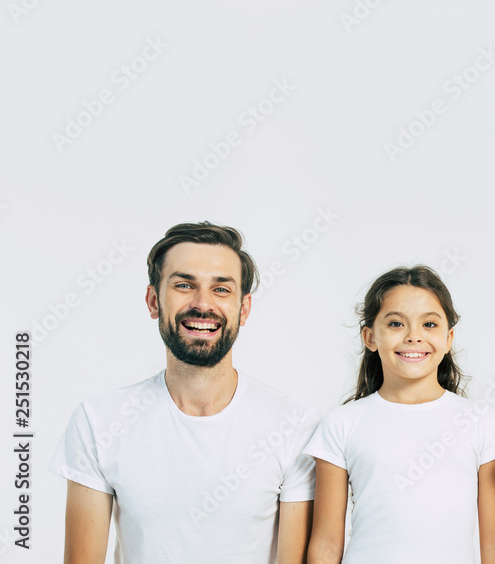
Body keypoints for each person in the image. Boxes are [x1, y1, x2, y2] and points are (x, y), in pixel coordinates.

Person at [49, 222, 319, 564]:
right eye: (183, 285)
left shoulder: (294, 424)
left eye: (221, 289)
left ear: (244, 308)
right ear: (153, 301)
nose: (203, 303)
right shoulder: (98, 421)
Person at [304, 266, 495, 564]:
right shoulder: (342, 424)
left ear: (449, 338)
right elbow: (325, 544)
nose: (414, 336)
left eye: (429, 324)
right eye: (396, 323)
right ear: (370, 337)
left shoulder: (482, 424)